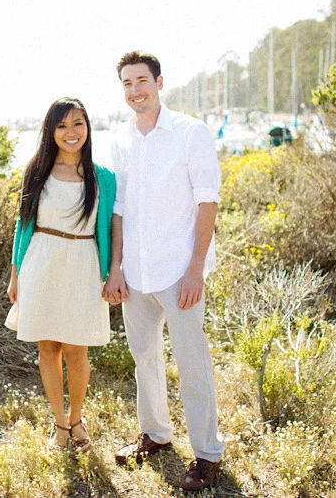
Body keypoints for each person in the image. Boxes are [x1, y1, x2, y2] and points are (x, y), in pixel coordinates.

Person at [103, 51, 225, 491]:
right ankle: (155, 434)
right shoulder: (119, 140)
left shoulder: (191, 133)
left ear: (158, 81)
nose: (136, 90)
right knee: (144, 360)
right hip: (135, 274)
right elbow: (118, 211)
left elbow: (207, 200)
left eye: (142, 80)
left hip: (179, 272)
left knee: (193, 364)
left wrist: (196, 269)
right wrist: (115, 268)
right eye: (127, 84)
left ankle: (208, 453)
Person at [6, 97, 116, 453]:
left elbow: (114, 229)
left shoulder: (104, 178)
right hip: (41, 260)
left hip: (83, 263)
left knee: (76, 348)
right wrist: (15, 274)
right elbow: (22, 225)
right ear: (51, 131)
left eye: (78, 124)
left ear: (88, 127)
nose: (71, 133)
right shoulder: (36, 169)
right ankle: (59, 424)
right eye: (62, 126)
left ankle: (78, 418)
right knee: (48, 347)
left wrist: (112, 271)